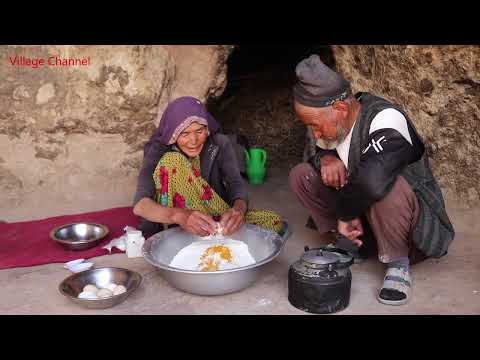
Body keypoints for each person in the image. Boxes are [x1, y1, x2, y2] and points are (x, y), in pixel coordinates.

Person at [288, 55, 455, 305]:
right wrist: (325, 158)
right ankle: (351, 245)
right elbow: (327, 147)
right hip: (366, 220)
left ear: (341, 109)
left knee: (386, 185)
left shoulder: (387, 120)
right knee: (302, 175)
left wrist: (345, 214)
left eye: (316, 125)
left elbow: (372, 181)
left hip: (411, 229)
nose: (316, 134)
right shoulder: (334, 121)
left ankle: (398, 263)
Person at [133, 96, 283, 238]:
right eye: (184, 134)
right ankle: (187, 232)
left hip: (213, 216)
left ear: (207, 129)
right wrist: (181, 216)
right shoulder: (160, 149)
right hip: (176, 222)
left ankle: (212, 232)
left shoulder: (219, 143)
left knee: (273, 221)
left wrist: (238, 211)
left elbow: (236, 185)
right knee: (173, 161)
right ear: (173, 134)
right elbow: (140, 205)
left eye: (199, 131)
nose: (194, 140)